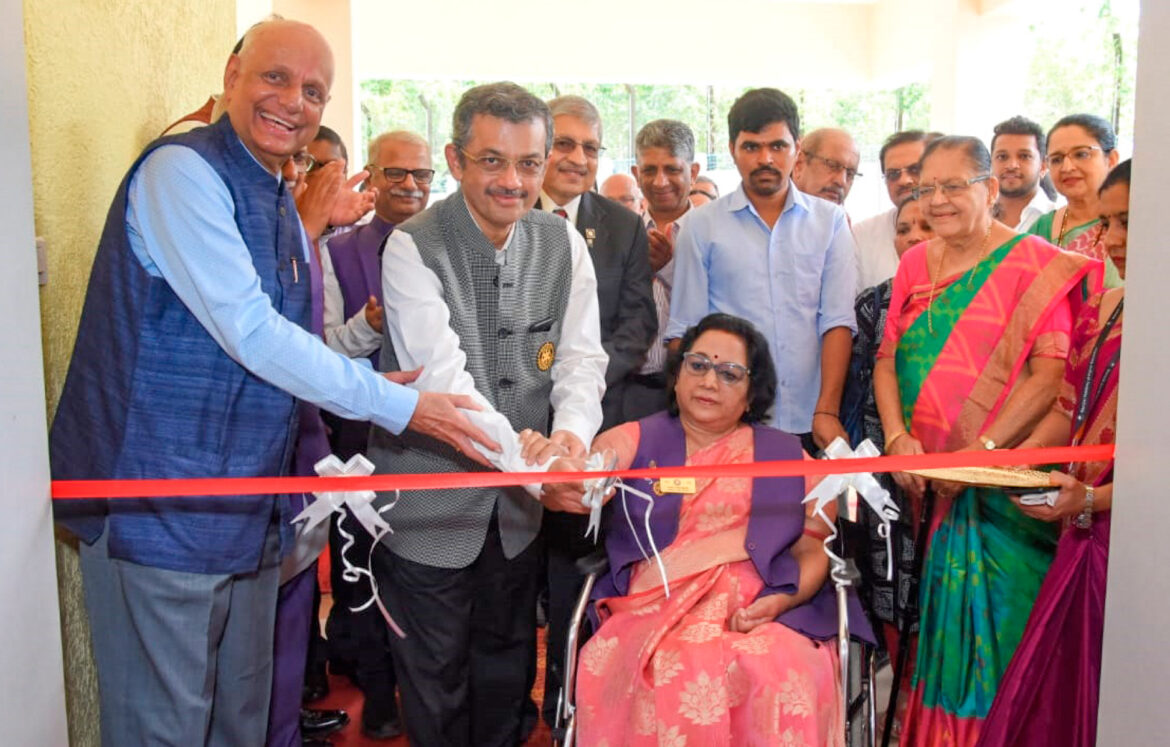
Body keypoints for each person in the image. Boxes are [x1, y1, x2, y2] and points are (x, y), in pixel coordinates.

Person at [48, 20, 495, 746]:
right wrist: (403, 404)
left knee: (243, 722)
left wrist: (363, 373)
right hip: (162, 509)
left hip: (247, 514)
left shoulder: (278, 198)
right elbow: (250, 331)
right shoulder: (181, 173)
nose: (293, 101)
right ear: (231, 76)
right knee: (165, 728)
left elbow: (288, 346)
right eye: (275, 77)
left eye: (313, 90)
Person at [365, 82, 608, 747]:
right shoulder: (412, 247)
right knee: (434, 682)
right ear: (456, 158)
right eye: (492, 161)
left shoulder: (564, 245)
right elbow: (448, 387)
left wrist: (567, 441)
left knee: (505, 672)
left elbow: (583, 360)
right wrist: (539, 473)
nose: (513, 180)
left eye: (529, 163)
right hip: (428, 512)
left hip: (516, 521)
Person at [540, 313, 872, 745]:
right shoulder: (638, 439)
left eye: (730, 373)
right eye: (697, 365)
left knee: (779, 667)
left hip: (766, 605)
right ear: (676, 377)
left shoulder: (786, 456)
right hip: (656, 605)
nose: (709, 381)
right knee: (663, 665)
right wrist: (563, 467)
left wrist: (780, 603)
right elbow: (594, 468)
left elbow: (815, 549)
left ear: (752, 394)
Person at [873, 135, 1101, 745]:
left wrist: (979, 456)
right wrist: (898, 437)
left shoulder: (1035, 265)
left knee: (1001, 628)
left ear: (990, 188)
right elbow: (888, 359)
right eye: (927, 189)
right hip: (928, 481)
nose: (938, 202)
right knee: (939, 636)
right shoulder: (916, 264)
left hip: (1000, 489)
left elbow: (1050, 376)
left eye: (955, 186)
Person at [979, 159, 1131, 747]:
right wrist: (1000, 461)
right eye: (1108, 221)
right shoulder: (1106, 308)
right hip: (1084, 527)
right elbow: (1069, 410)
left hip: (1133, 537)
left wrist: (1094, 496)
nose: (1113, 239)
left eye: (1129, 222)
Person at [535, 93, 656, 728]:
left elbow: (638, 322)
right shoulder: (501, 209)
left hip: (592, 427)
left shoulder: (620, 224)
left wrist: (578, 396)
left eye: (590, 146)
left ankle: (568, 707)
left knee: (570, 579)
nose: (577, 159)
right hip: (510, 429)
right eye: (564, 143)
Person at [318, 130, 433, 741]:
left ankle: (422, 693)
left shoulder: (449, 244)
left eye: (421, 174)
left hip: (437, 442)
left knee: (425, 571)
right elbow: (320, 351)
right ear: (371, 175)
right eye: (396, 174)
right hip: (357, 443)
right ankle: (377, 692)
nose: (410, 185)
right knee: (358, 568)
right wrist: (368, 325)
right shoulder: (337, 253)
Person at [668, 87, 858, 454]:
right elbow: (684, 330)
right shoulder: (700, 225)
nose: (765, 158)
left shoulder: (830, 222)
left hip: (811, 417)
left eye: (778, 146)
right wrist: (695, 417)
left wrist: (826, 409)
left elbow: (836, 320)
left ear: (797, 150)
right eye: (752, 147)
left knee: (810, 511)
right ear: (732, 150)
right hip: (728, 418)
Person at [840, 196, 933, 655]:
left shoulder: (984, 298)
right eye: (904, 227)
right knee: (889, 576)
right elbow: (857, 392)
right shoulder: (872, 305)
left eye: (927, 226)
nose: (913, 236)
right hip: (886, 467)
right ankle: (899, 703)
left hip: (957, 465)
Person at [628, 118, 701, 420]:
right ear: (636, 173)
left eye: (672, 169)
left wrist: (669, 268)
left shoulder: (712, 232)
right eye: (649, 170)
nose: (660, 181)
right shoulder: (620, 231)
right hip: (626, 387)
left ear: (693, 173)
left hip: (694, 389)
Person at [1028, 113, 1123, 288]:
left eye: (1081, 154)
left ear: (1111, 159)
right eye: (1056, 159)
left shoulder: (1133, 227)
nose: (1067, 167)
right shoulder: (1041, 228)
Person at [852, 130, 937, 291]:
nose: (904, 180)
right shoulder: (862, 234)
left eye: (914, 169)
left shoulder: (957, 228)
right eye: (893, 174)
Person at [990, 116, 1054, 231]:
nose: (1011, 165)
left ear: (1043, 166)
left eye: (1024, 156)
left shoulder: (1058, 221)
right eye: (1002, 157)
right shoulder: (975, 217)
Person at [793, 126, 861, 206]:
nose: (842, 181)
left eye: (850, 174)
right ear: (799, 164)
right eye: (832, 165)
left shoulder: (839, 217)